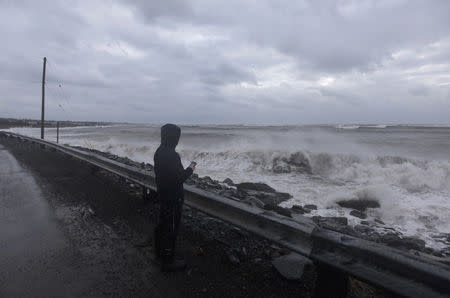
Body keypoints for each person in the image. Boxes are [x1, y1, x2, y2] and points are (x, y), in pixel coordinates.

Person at [153, 124, 195, 272]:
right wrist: (190, 169)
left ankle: (159, 252)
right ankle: (168, 260)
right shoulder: (172, 155)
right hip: (173, 197)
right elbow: (179, 178)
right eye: (177, 137)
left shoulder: (159, 151)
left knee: (163, 224)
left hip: (163, 194)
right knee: (171, 227)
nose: (178, 140)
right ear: (174, 138)